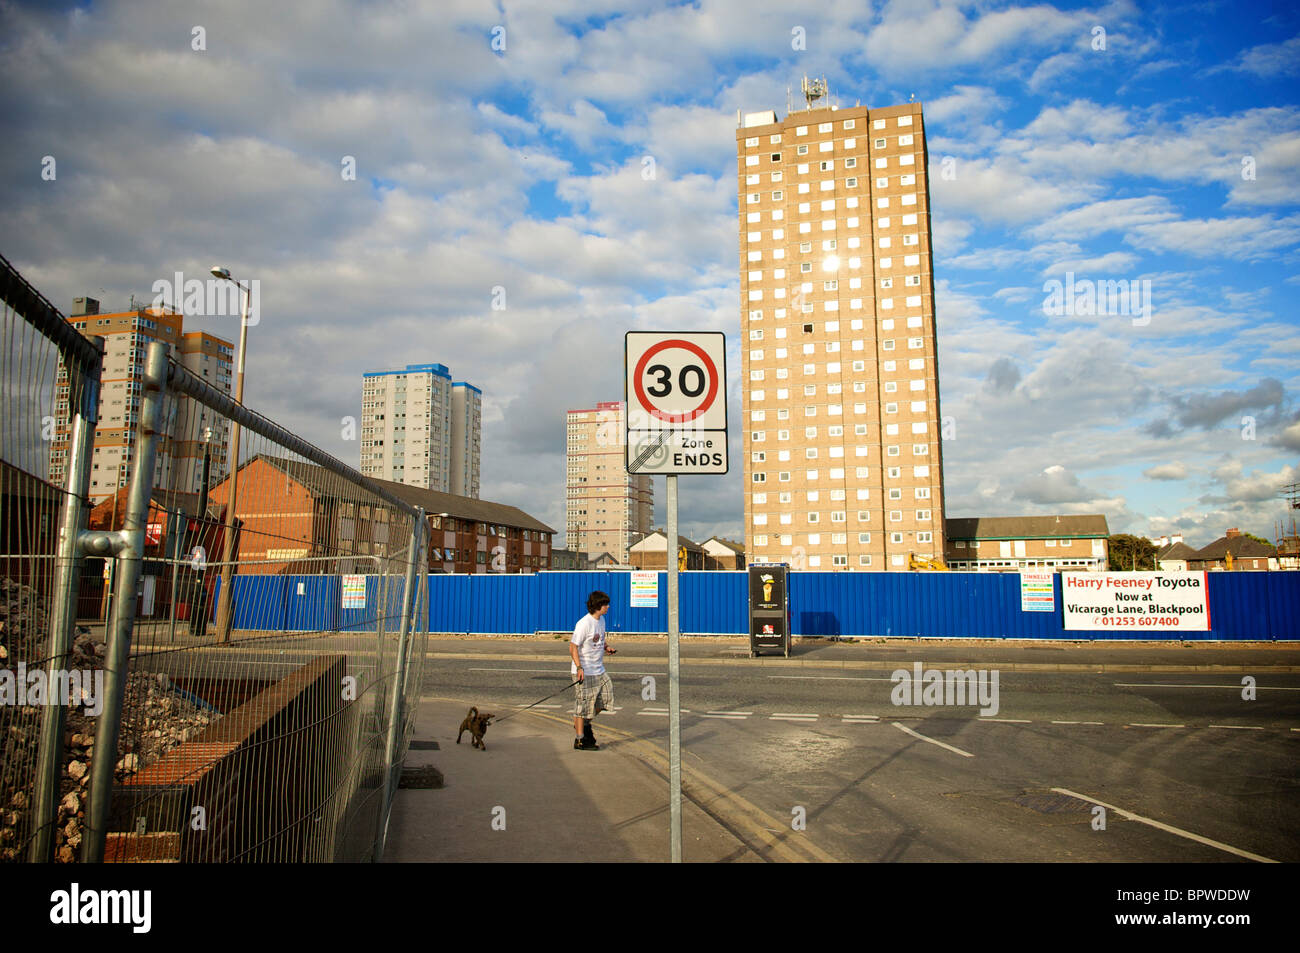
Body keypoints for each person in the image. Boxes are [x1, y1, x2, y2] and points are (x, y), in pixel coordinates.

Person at [571, 589, 616, 750]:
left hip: (599, 669)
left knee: (605, 698)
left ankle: (582, 723)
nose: (608, 607)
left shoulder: (601, 620)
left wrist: (607, 647)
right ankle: (580, 738)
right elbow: (573, 647)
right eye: (606, 604)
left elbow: (600, 638)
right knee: (583, 706)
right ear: (598, 605)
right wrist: (579, 668)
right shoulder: (584, 623)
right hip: (585, 670)